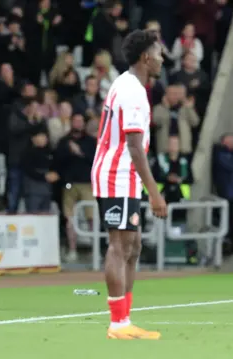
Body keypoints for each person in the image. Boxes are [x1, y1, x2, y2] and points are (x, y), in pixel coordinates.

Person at [90, 29, 167, 340]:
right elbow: (134, 146)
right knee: (120, 246)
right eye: (159, 54)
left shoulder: (126, 83)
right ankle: (117, 323)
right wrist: (155, 192)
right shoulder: (132, 90)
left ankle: (125, 319)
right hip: (117, 175)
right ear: (146, 57)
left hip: (125, 176)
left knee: (132, 246)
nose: (162, 59)